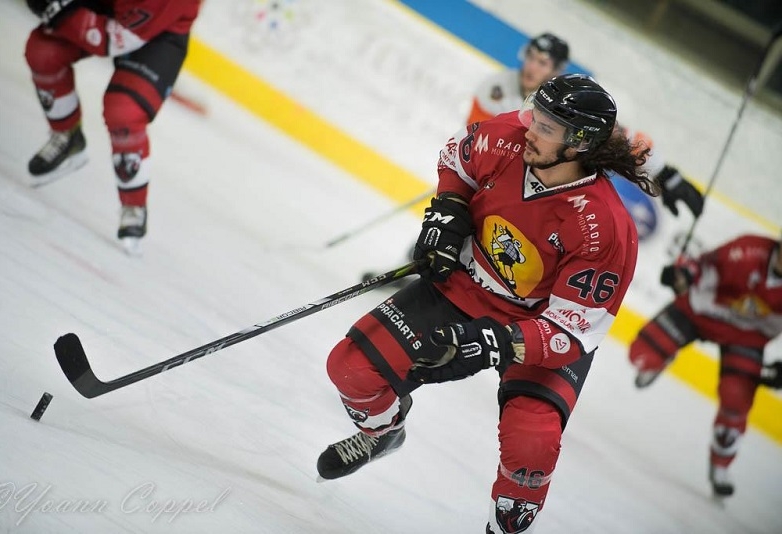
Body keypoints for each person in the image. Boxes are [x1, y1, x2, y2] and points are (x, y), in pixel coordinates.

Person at [317, 74, 656, 532]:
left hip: (538, 328)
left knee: (532, 445)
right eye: (536, 115)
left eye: (548, 127)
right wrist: (449, 212)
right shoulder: (510, 138)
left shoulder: (606, 228)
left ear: (579, 144)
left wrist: (499, 341)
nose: (530, 128)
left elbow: (573, 329)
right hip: (467, 286)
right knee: (351, 369)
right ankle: (383, 433)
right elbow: (457, 157)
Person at [24, 0, 202, 254]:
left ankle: (134, 205)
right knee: (43, 51)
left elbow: (110, 40)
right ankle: (67, 137)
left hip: (159, 35)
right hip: (111, 9)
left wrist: (60, 12)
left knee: (124, 110)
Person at [467, 31, 703, 223]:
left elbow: (621, 139)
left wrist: (666, 175)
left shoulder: (573, 103)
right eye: (531, 58)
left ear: (557, 69)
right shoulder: (496, 88)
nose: (531, 67)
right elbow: (475, 141)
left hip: (547, 198)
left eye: (542, 62)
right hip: (499, 185)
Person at [628, 233, 782, 497]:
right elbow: (703, 264)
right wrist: (682, 275)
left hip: (747, 337)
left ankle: (721, 466)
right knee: (640, 356)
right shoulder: (748, 250)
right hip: (700, 312)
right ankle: (662, 356)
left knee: (736, 399)